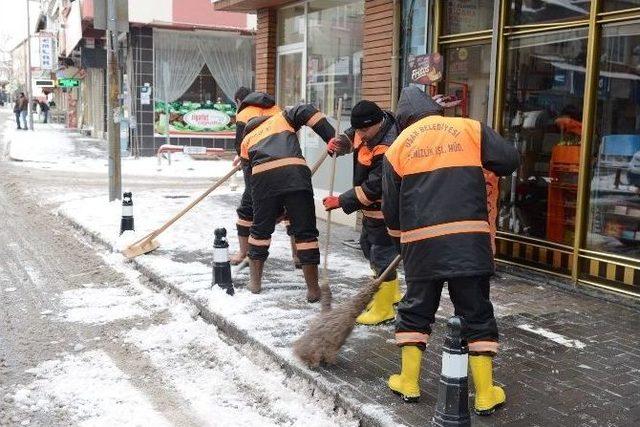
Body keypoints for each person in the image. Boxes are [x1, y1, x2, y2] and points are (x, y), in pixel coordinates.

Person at [382, 87, 519, 415]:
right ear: (434, 110)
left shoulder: (397, 147)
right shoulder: (469, 128)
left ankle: (409, 381)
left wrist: (401, 239)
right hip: (469, 243)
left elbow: (391, 207)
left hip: (422, 245)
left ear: (403, 120)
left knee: (416, 311)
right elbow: (509, 160)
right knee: (477, 313)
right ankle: (486, 393)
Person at [240, 102, 335, 302]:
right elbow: (305, 110)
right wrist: (331, 137)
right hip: (295, 175)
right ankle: (313, 290)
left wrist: (268, 211)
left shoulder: (246, 140)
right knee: (305, 232)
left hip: (263, 182)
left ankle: (255, 283)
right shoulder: (281, 117)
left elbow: (250, 184)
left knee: (260, 231)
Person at [322, 100, 402, 325]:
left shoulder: (389, 146)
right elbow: (350, 137)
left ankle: (384, 309)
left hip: (387, 209)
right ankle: (391, 293)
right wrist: (339, 144)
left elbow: (375, 186)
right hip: (370, 211)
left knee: (382, 255)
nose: (360, 134)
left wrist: (341, 200)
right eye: (357, 129)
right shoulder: (364, 129)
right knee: (368, 247)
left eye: (364, 130)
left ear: (378, 124)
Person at [230, 88, 281, 265]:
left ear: (238, 101)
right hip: (284, 163)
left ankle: (244, 253)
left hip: (257, 166)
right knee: (289, 208)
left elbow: (240, 144)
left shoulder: (244, 113)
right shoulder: (277, 109)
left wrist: (243, 159)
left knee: (248, 207)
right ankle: (298, 257)